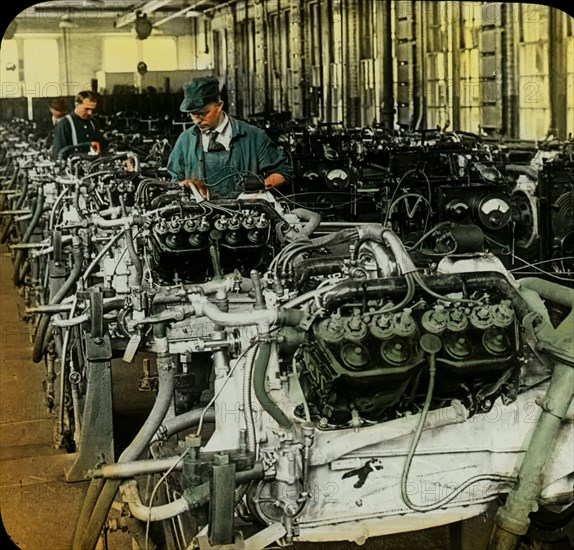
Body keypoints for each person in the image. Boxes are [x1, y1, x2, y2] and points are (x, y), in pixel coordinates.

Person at [167, 76, 292, 199]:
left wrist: (257, 191)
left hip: (246, 215)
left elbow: (283, 172)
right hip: (200, 214)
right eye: (192, 115)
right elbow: (175, 181)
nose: (196, 121)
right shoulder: (185, 141)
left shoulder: (254, 136)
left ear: (219, 105)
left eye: (203, 113)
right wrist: (185, 186)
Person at [52, 90, 103, 159]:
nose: (90, 113)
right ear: (76, 104)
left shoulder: (93, 123)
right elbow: (58, 155)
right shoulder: (64, 124)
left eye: (92, 110)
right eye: (87, 109)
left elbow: (102, 146)